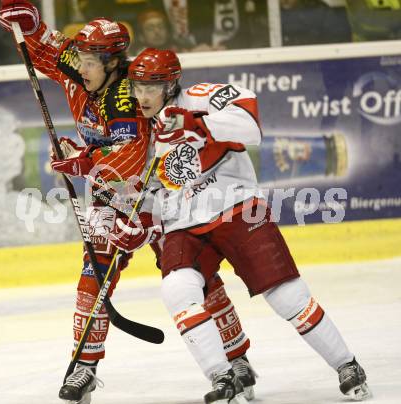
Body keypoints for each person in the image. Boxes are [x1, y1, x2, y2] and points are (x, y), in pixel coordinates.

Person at [0, 2, 256, 403]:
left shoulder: (125, 95)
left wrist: (85, 160)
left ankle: (237, 359)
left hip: (157, 196)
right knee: (93, 276)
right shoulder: (85, 69)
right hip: (109, 195)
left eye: (89, 61)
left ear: (113, 62)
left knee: (196, 277)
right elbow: (52, 50)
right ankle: (83, 367)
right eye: (80, 59)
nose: (80, 68)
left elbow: (130, 155)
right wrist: (29, 27)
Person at [109, 48, 372, 403]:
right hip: (183, 223)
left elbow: (250, 127)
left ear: (171, 84)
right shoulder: (141, 130)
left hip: (236, 207)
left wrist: (195, 123)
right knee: (177, 290)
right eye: (137, 87)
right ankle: (223, 376)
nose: (141, 96)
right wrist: (136, 222)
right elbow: (149, 190)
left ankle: (347, 364)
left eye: (150, 88)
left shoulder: (200, 97)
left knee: (286, 295)